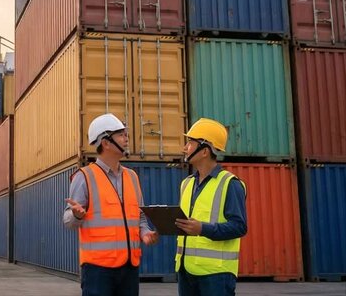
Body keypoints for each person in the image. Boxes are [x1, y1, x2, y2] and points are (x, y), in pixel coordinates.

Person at [64, 113, 158, 296]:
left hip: (129, 268)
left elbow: (139, 216)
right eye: (121, 135)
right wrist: (76, 215)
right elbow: (67, 220)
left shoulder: (132, 177)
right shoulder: (84, 176)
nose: (126, 138)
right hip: (98, 271)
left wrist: (145, 233)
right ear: (105, 142)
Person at [175, 118, 247, 296]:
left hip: (216, 275)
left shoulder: (230, 184)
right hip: (186, 270)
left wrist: (202, 228)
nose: (185, 148)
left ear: (205, 151)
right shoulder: (186, 184)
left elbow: (239, 227)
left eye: (190, 143)